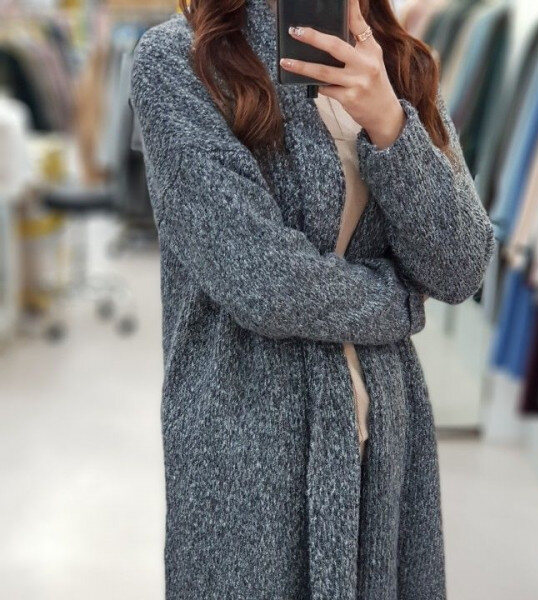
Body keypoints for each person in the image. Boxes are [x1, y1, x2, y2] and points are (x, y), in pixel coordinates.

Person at [129, 0, 495, 598]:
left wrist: (389, 123)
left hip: (387, 445)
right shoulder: (180, 60)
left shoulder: (395, 61)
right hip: (247, 445)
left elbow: (460, 268)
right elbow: (263, 280)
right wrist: (400, 302)